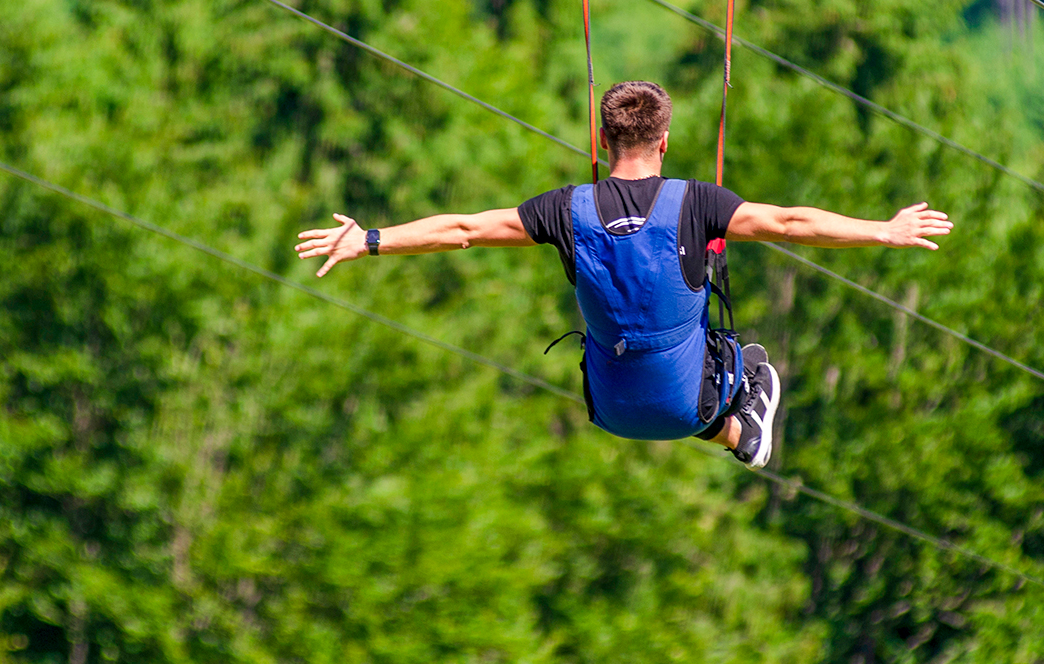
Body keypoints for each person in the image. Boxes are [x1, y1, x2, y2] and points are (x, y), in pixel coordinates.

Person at [295, 81, 953, 467]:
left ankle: (737, 430)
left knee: (635, 341)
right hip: (686, 405)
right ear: (663, 142)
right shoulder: (698, 203)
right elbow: (790, 224)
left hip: (610, 409)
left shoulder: (562, 210)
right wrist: (883, 231)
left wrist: (370, 241)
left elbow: (462, 230)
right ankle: (738, 427)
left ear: (600, 141)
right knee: (746, 353)